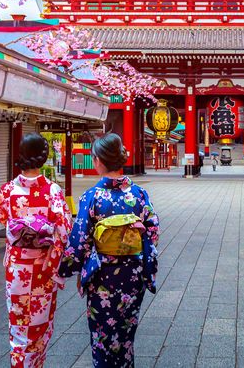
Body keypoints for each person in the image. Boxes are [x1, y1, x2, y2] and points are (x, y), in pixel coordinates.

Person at [59, 133, 160, 367]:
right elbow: (153, 232)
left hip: (103, 276)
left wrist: (65, 270)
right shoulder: (138, 194)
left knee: (102, 336)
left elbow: (80, 240)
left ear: (99, 161)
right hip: (133, 274)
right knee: (125, 335)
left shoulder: (92, 196)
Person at [0, 133, 72, 368]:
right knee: (39, 328)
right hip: (42, 268)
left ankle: (19, 363)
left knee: (18, 327)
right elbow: (64, 228)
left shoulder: (8, 191)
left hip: (17, 269)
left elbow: (2, 219)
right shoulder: (53, 191)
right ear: (44, 157)